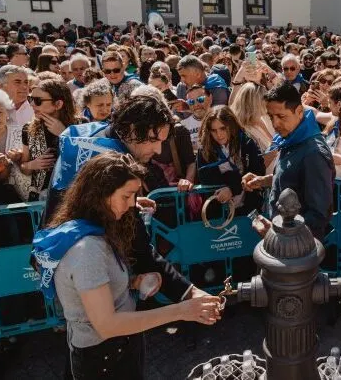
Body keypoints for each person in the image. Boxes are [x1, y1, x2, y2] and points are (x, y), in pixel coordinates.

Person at [33, 152, 222, 379]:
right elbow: (107, 325)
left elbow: (89, 286)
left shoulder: (92, 229)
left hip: (117, 349)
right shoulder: (87, 249)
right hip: (104, 358)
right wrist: (181, 311)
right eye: (127, 196)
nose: (132, 205)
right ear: (101, 194)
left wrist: (132, 282)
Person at [242, 82, 335, 239]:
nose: (275, 123)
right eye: (271, 116)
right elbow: (294, 179)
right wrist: (263, 180)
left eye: (281, 116)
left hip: (300, 252)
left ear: (299, 111)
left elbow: (319, 215)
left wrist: (281, 233)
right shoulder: (290, 138)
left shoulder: (314, 153)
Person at [17, 80, 82, 201]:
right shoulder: (28, 128)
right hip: (41, 199)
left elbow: (87, 160)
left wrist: (64, 134)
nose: (32, 104)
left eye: (38, 101)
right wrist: (32, 165)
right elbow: (23, 166)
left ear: (58, 104)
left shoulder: (82, 125)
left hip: (75, 195)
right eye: (30, 99)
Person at [197, 106, 265, 216]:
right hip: (218, 212)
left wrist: (232, 188)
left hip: (249, 207)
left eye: (223, 128)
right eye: (214, 130)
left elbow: (258, 171)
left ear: (231, 125)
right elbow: (204, 177)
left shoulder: (246, 142)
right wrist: (228, 182)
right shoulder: (205, 149)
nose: (219, 135)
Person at [228, 82, 277, 173]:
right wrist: (277, 149)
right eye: (264, 98)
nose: (267, 101)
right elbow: (255, 166)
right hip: (261, 182)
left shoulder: (261, 119)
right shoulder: (240, 130)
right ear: (253, 104)